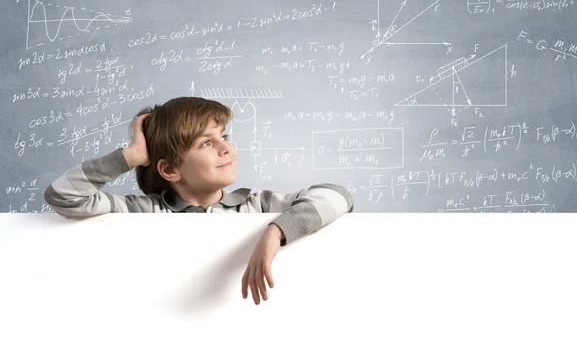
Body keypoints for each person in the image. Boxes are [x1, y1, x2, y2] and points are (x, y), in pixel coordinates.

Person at [44, 96, 354, 306]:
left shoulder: (256, 205)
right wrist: (133, 156)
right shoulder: (141, 212)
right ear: (169, 169)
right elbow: (63, 195)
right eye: (207, 142)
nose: (226, 149)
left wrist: (275, 232)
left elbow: (338, 195)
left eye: (225, 138)